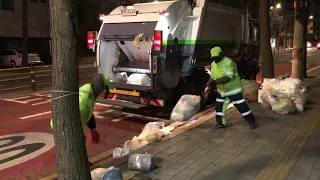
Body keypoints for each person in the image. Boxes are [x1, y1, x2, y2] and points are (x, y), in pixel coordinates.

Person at [50, 73, 111, 145]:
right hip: (63, 127)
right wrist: (77, 134)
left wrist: (93, 129)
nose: (107, 93)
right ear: (101, 88)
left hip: (67, 124)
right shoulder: (84, 98)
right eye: (106, 90)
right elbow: (70, 116)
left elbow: (87, 113)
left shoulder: (91, 91)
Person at [205, 46, 257, 129]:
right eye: (214, 57)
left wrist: (215, 82)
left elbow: (229, 77)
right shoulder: (213, 64)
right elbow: (212, 77)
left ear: (221, 54)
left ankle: (251, 120)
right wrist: (209, 85)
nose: (216, 59)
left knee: (242, 107)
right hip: (222, 91)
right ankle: (220, 123)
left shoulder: (229, 62)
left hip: (233, 90)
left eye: (217, 57)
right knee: (219, 107)